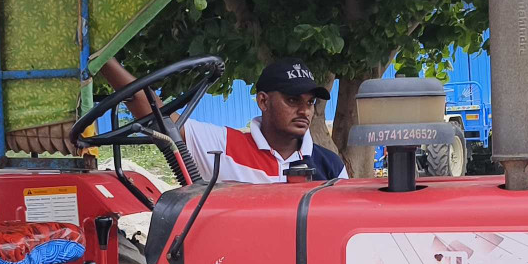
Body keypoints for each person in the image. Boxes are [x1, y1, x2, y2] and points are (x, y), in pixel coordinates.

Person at [96, 56, 347, 183]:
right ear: (263, 101)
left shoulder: (330, 166)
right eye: (293, 100)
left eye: (310, 102)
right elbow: (156, 116)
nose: (305, 111)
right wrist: (102, 59)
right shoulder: (223, 145)